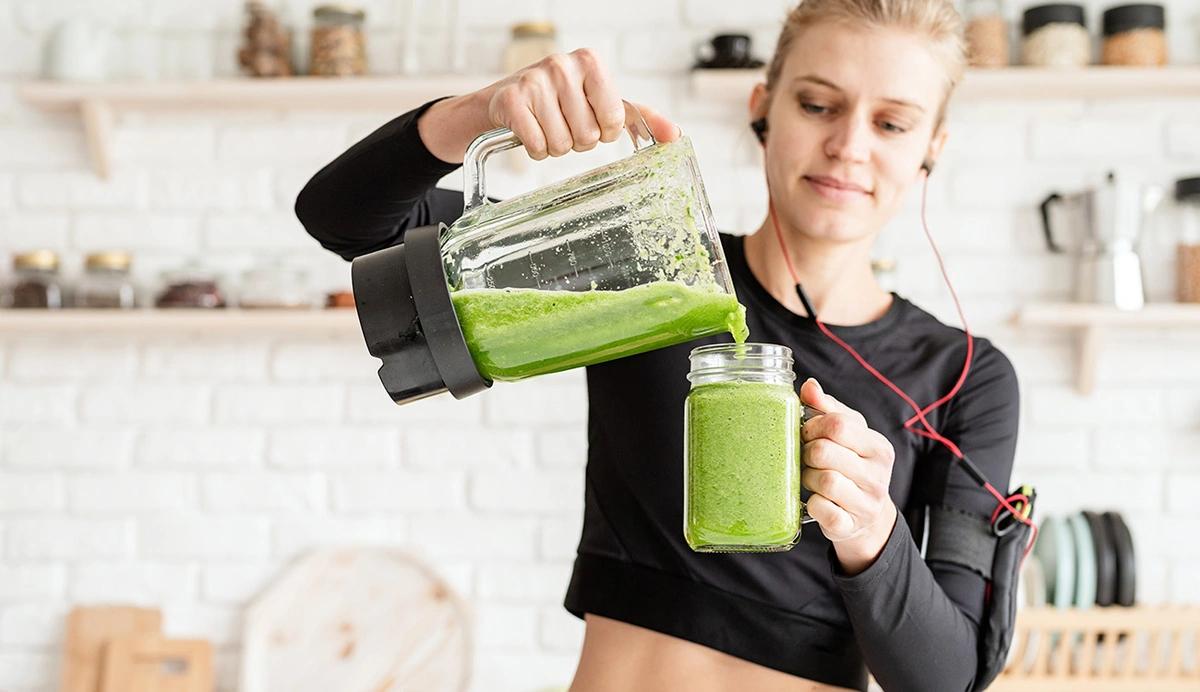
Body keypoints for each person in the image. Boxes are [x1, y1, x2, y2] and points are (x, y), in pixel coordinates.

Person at [295, 1, 1020, 689]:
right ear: (762, 106)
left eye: (893, 123)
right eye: (818, 104)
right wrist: (477, 115)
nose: (848, 145)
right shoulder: (648, 271)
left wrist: (874, 533)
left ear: (933, 148)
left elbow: (948, 676)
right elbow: (345, 220)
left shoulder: (962, 375)